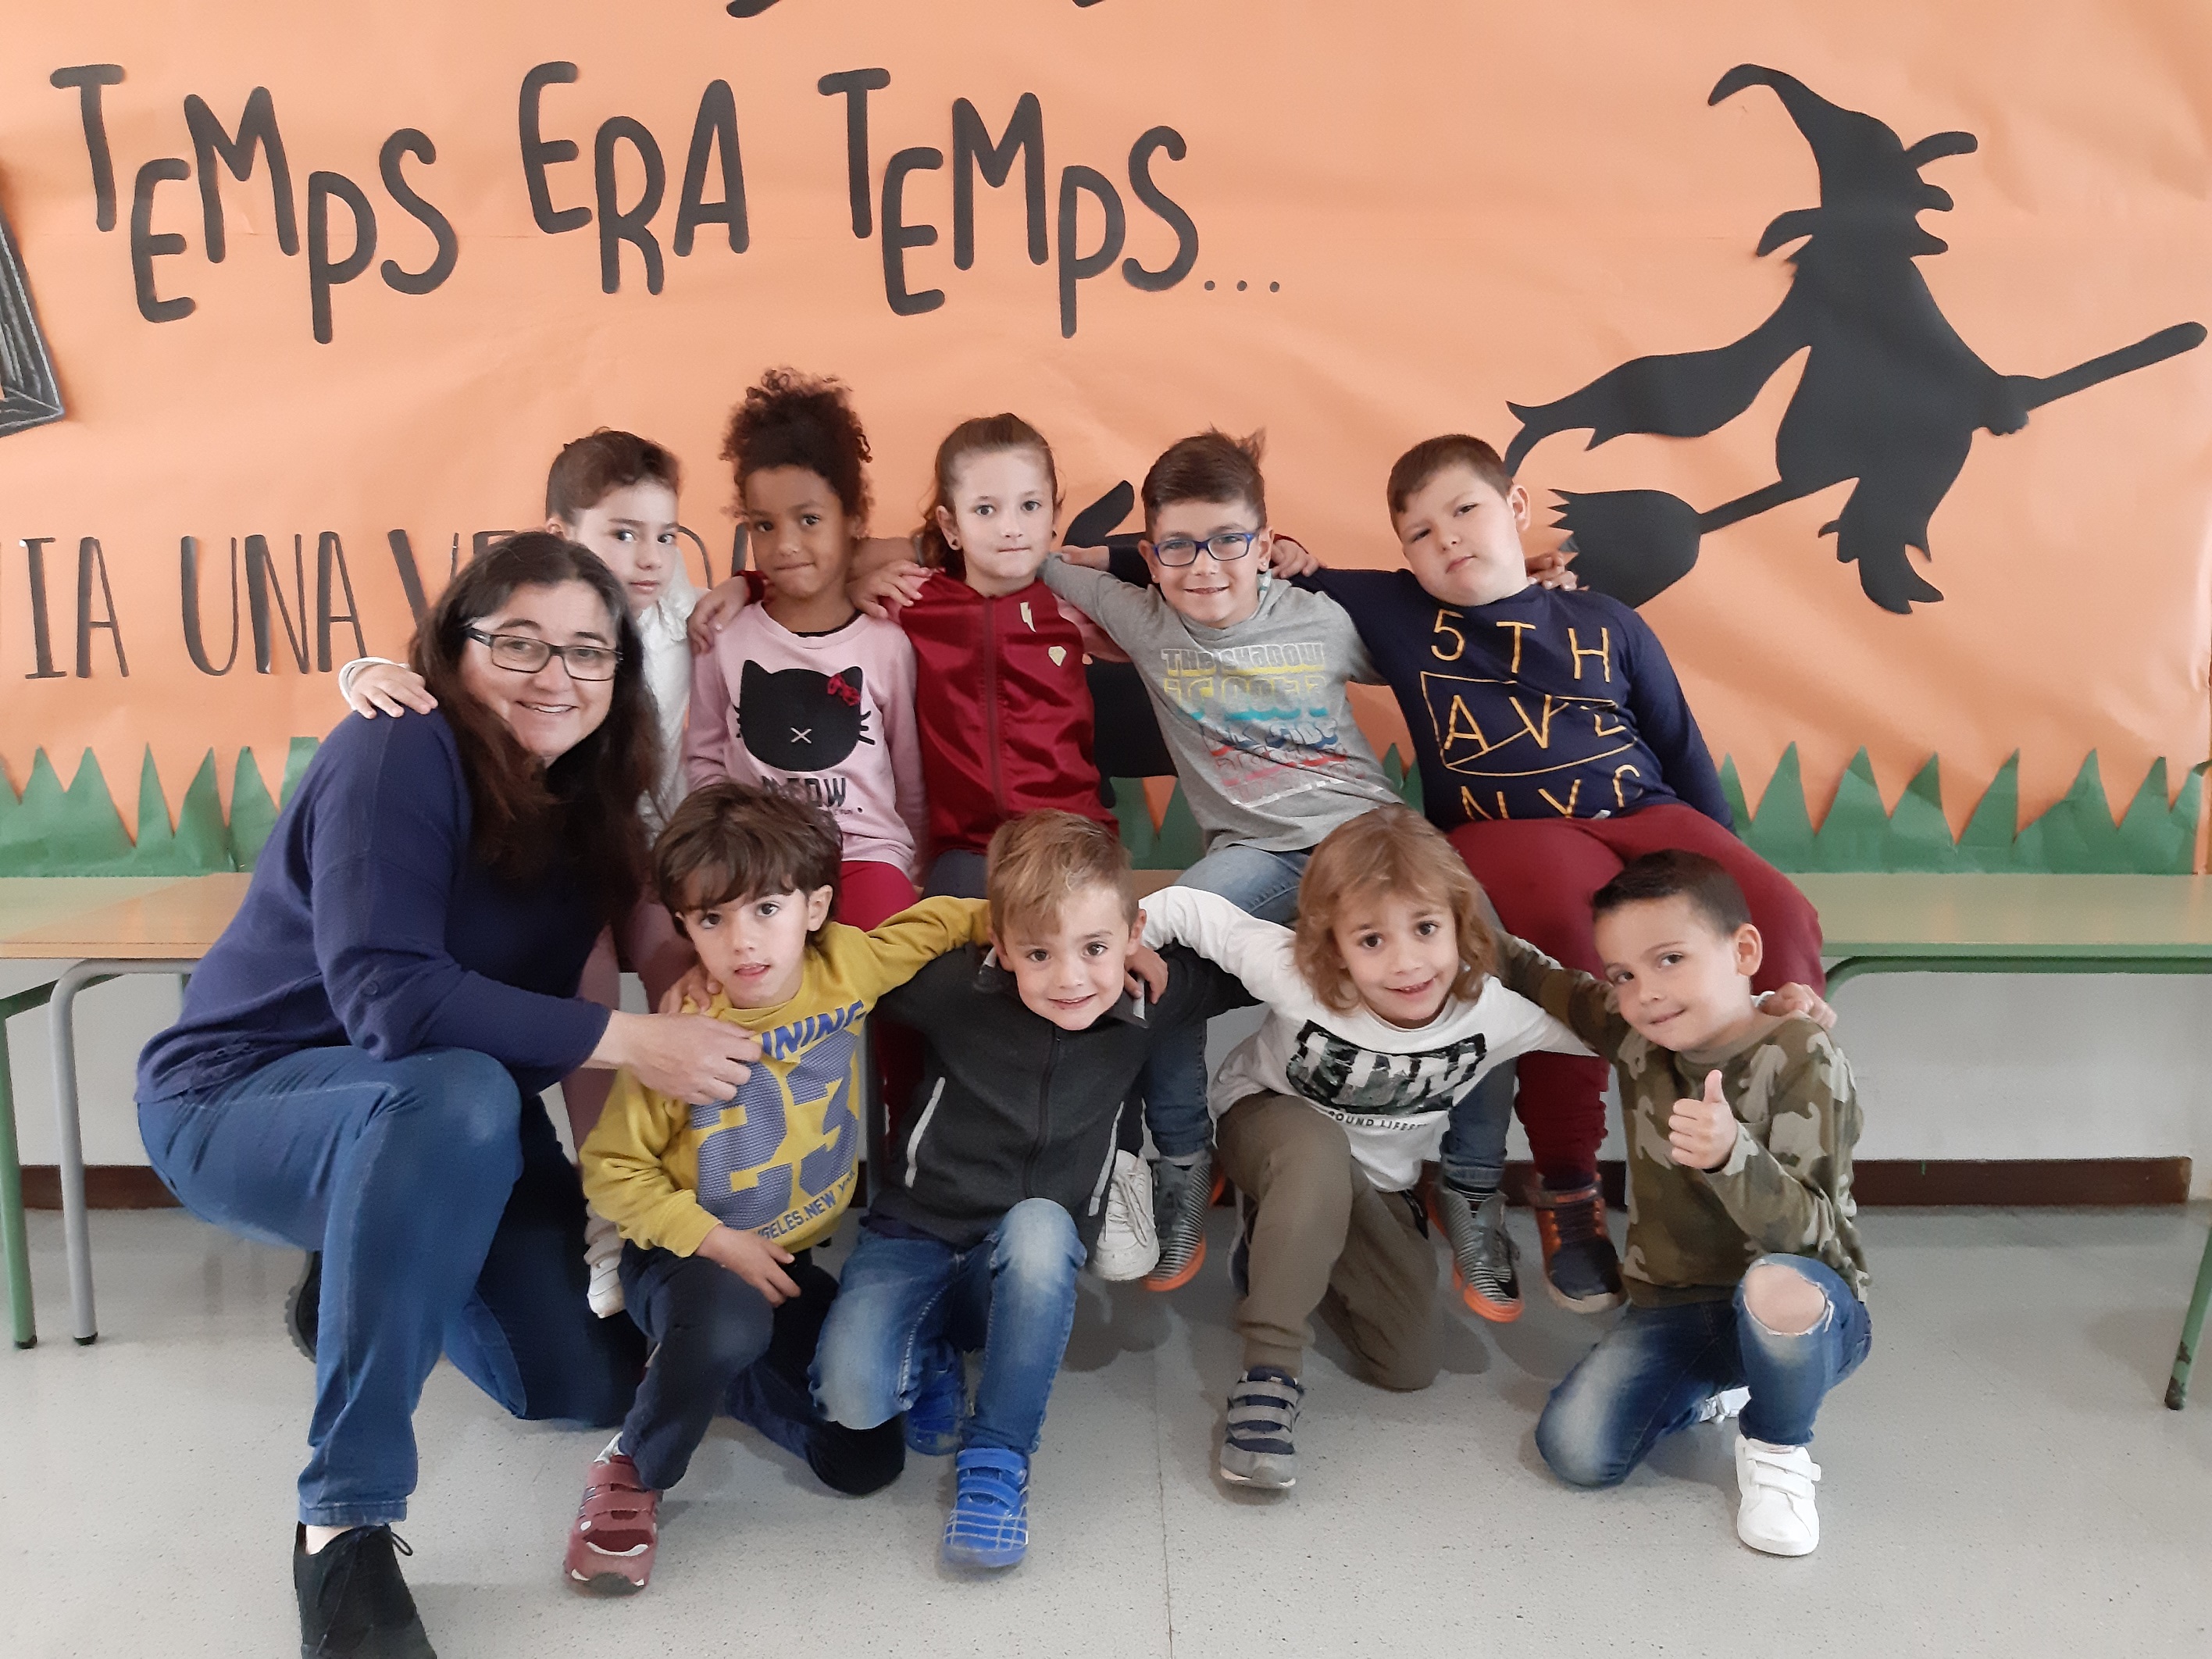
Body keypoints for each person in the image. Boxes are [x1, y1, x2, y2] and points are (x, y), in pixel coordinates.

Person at [135, 533, 766, 1659]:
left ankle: (364, 1260)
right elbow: (392, 1003)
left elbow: (649, 924)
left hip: (445, 1126)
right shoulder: (397, 748)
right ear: (451, 650)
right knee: (462, 1090)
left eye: (588, 651)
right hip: (242, 1099)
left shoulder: (588, 792)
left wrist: (692, 984)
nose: (555, 676)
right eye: (518, 643)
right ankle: (343, 1522)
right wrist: (638, 1043)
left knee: (582, 1385)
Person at [1294, 434, 1825, 1322]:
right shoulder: (1395, 609)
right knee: (1567, 937)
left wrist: (1720, 866)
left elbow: (1679, 744)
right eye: (1420, 533)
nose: (1447, 538)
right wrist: (1256, 555)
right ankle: (1569, 1182)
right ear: (1404, 555)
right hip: (1508, 829)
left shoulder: (1605, 619)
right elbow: (1238, 560)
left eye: (1465, 509)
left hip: (1643, 811)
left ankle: (1767, 1163)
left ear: (1516, 509)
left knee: (1777, 915)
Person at [568, 780, 996, 1593]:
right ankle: (634, 1464)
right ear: (685, 925)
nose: (742, 943)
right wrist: (715, 1241)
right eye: (711, 919)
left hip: (783, 1258)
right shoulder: (682, 1035)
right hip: (685, 1253)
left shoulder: (850, 965)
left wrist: (1027, 931)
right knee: (725, 1322)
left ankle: (708, 1370)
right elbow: (612, 1172)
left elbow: (941, 921)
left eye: (766, 909)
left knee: (864, 1461)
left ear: (815, 907)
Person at [336, 430, 714, 1317]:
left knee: (687, 975)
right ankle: (607, 1198)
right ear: (562, 533)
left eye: (666, 536)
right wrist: (362, 672)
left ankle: (699, 1182)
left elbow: (802, 580)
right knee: (581, 973)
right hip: (567, 849)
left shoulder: (690, 613)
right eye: (623, 533)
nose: (649, 557)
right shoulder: (512, 615)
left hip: (656, 852)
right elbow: (426, 672)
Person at [812, 810, 1245, 1569]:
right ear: (1002, 943)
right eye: (1039, 952)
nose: (1071, 978)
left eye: (1095, 948)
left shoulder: (1148, 996)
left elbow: (1264, 966)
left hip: (1022, 1250)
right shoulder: (955, 986)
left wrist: (1165, 939)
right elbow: (839, 966)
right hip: (915, 1231)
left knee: (1043, 1226)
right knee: (852, 1400)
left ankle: (998, 1458)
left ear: (1132, 934)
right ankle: (933, 1353)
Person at [1038, 430, 1404, 1293]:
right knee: (1149, 959)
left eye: (1229, 542)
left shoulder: (1321, 618)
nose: (1205, 568)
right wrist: (1114, 557)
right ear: (1152, 555)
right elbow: (1030, 556)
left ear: (1265, 542)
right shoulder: (1147, 620)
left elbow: (1434, 631)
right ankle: (1181, 1162)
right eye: (1179, 547)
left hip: (1369, 845)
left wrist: (1530, 580)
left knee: (1480, 954)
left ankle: (1468, 1184)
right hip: (1257, 858)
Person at [1136, 808, 1597, 1493]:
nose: (1406, 962)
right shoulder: (1299, 973)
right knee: (1314, 1150)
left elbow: (1623, 1027)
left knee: (1407, 1364)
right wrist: (1130, 941)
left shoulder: (1494, 1010)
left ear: (1460, 924)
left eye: (1426, 929)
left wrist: (1745, 1017)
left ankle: (1277, 1247)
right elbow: (1192, 911)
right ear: (1334, 946)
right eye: (1372, 939)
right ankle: (1268, 1381)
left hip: (1377, 1185)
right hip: (1269, 1124)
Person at [1495, 851, 1866, 1557]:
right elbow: (1535, 973)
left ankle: (1778, 1446)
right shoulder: (1637, 1032)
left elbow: (1820, 1239)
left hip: (1803, 1307)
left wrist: (1732, 1158)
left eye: (1670, 959)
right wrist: (1444, 918)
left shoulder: (1803, 1054)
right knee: (1576, 1451)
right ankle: (1716, 1382)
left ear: (1744, 952)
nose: (1647, 993)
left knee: (1775, 1286)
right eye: (1624, 975)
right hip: (1677, 1307)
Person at [684, 369, 927, 929]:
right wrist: (729, 840)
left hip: (866, 856)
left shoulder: (887, 643)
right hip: (757, 863)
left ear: (854, 521)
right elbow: (705, 756)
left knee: (887, 967)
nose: (786, 545)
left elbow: (909, 773)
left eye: (810, 520)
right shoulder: (723, 636)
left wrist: (915, 865)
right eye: (764, 526)